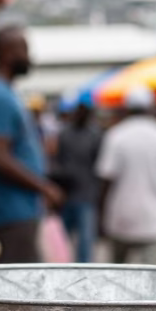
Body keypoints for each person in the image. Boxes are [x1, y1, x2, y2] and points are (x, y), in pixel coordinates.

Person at [0, 27, 63, 264]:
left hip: (18, 209)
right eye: (23, 50)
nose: (28, 57)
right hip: (10, 213)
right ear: (7, 53)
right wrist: (44, 187)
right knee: (19, 290)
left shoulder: (4, 93)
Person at [97, 86, 156, 264]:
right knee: (153, 281)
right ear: (151, 107)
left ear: (127, 108)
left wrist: (101, 215)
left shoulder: (116, 136)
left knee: (117, 278)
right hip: (154, 219)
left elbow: (105, 179)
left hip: (120, 217)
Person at [53, 100, 102, 263]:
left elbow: (99, 165)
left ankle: (83, 271)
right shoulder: (65, 134)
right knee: (62, 239)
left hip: (86, 194)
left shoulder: (95, 136)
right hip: (67, 194)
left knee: (85, 240)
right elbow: (58, 159)